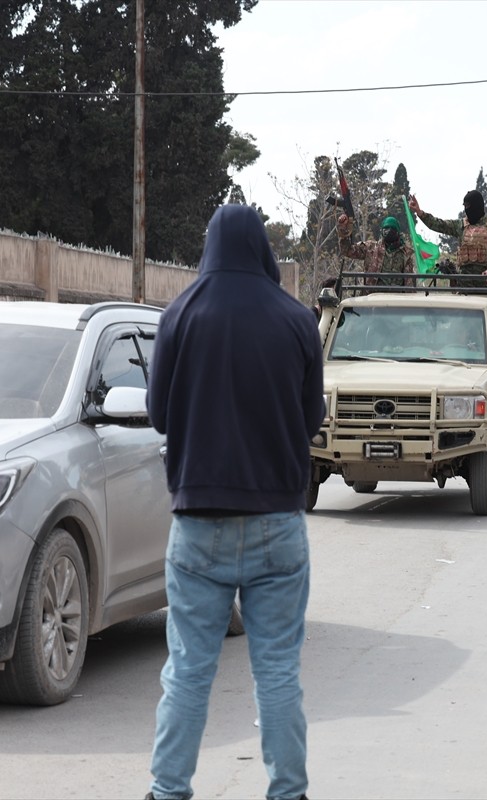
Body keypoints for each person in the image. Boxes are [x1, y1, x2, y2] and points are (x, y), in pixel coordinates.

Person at [146, 204, 325, 800]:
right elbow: (310, 420)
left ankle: (168, 791)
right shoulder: (297, 320)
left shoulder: (181, 313)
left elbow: (158, 415)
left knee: (188, 673)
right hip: (277, 519)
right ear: (262, 249)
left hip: (198, 523)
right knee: (277, 673)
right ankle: (288, 792)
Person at [408, 190, 487, 283]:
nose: (466, 209)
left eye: (468, 206)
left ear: (477, 205)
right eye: (465, 206)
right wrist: (419, 212)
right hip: (464, 286)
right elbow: (439, 224)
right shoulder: (461, 226)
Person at [337, 213, 416, 288]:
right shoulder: (371, 248)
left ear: (398, 232)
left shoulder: (406, 254)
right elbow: (347, 250)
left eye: (392, 229)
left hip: (397, 298)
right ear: (381, 231)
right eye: (386, 229)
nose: (388, 232)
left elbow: (409, 284)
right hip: (373, 297)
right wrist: (343, 230)